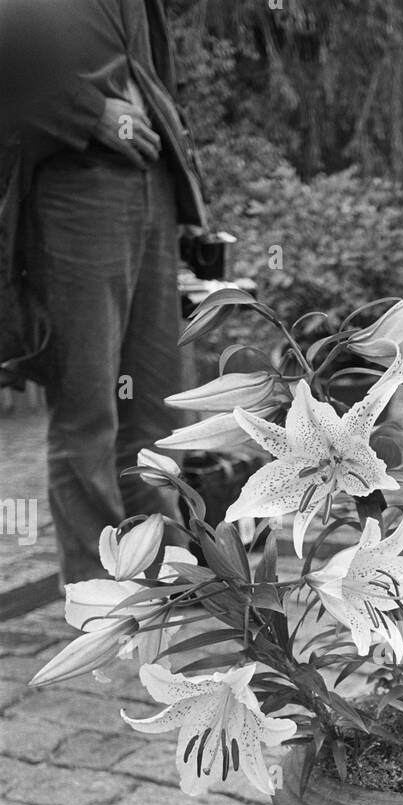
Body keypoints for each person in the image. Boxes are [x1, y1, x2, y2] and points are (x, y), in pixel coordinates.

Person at [0, 0, 207, 585]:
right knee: (88, 408)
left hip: (150, 182)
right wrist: (87, 111)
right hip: (74, 182)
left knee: (156, 404)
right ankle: (97, 590)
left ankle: (162, 572)